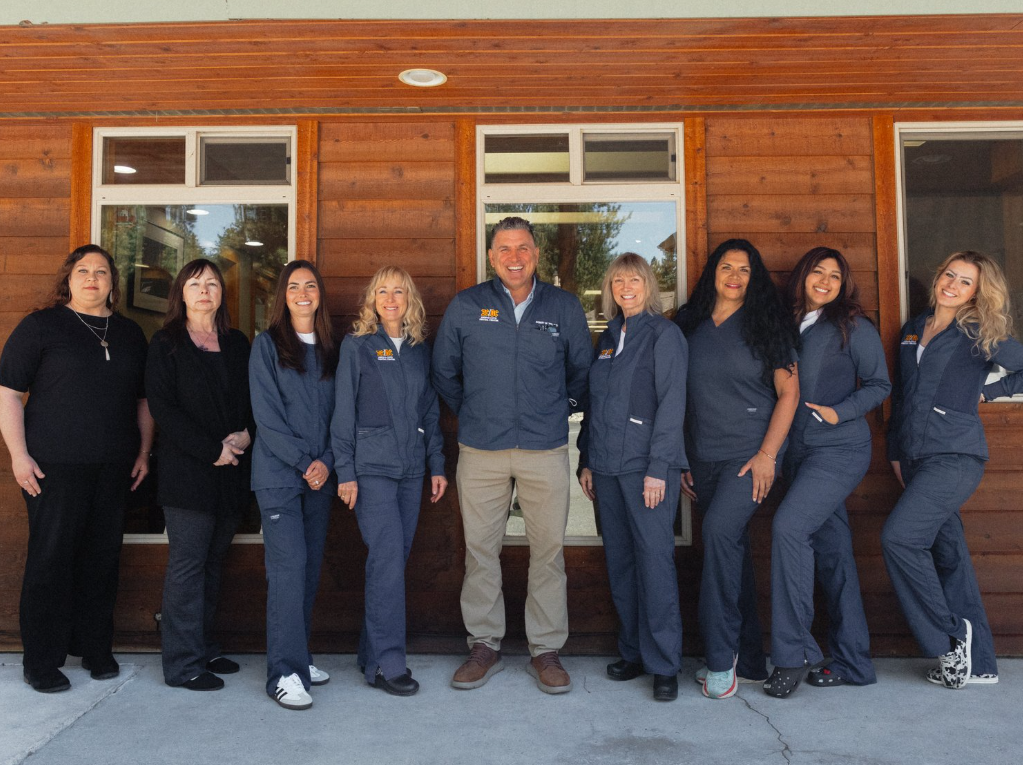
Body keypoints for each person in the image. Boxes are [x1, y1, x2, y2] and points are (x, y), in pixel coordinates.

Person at [433, 216, 591, 695]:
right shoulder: (467, 306)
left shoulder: (563, 307)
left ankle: (546, 650)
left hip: (545, 448)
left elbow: (581, 373)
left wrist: (552, 411)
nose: (514, 257)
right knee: (481, 552)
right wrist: (477, 412)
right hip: (481, 450)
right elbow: (444, 372)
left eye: (523, 247)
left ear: (536, 254)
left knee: (549, 553)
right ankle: (485, 644)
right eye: (504, 248)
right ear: (491, 256)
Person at [0, 245, 152, 693]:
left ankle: (95, 650)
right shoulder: (41, 326)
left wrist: (144, 452)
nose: (92, 278)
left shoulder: (129, 333)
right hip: (53, 467)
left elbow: (144, 401)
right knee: (51, 562)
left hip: (115, 466)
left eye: (101, 271)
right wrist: (18, 455)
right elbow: (8, 393)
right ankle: (42, 661)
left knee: (102, 561)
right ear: (68, 278)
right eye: (83, 270)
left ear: (112, 282)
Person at [884, 250, 1023, 689]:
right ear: (938, 275)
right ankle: (980, 664)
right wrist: (895, 452)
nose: (953, 285)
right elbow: (903, 396)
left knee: (900, 538)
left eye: (966, 282)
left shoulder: (977, 331)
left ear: (976, 293)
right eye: (949, 274)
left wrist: (991, 391)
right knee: (949, 555)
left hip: (955, 456)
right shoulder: (913, 329)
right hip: (914, 456)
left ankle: (949, 638)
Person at [675, 238, 799, 700]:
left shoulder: (767, 326)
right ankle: (750, 659)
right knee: (733, 554)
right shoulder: (689, 324)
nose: (734, 276)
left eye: (745, 270)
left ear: (755, 278)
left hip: (750, 458)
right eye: (726, 267)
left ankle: (720, 658)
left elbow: (789, 394)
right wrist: (680, 457)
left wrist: (768, 455)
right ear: (712, 273)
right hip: (701, 457)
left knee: (721, 537)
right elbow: (677, 396)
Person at [764, 247, 890, 698]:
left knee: (788, 528)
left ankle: (793, 653)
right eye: (817, 271)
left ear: (843, 285)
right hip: (799, 454)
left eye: (834, 276)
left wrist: (839, 412)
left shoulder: (852, 325)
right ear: (802, 276)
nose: (825, 281)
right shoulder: (786, 323)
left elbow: (880, 384)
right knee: (834, 553)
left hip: (838, 451)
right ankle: (854, 662)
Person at [577, 253, 688, 701]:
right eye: (618, 280)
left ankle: (664, 664)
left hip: (646, 471)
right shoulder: (606, 338)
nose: (626, 286)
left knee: (655, 564)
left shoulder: (665, 335)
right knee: (621, 564)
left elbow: (672, 405)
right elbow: (595, 405)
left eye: (634, 279)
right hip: (606, 469)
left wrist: (659, 469)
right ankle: (635, 651)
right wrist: (586, 460)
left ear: (649, 286)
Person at [333, 266, 447, 697]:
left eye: (399, 291)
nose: (391, 298)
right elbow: (343, 411)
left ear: (410, 299)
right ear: (373, 299)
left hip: (411, 470)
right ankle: (389, 663)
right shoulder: (357, 347)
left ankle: (369, 652)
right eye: (382, 290)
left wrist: (437, 464)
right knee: (386, 559)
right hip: (371, 471)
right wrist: (345, 471)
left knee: (390, 564)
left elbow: (429, 412)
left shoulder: (419, 349)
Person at [146, 258, 253, 692]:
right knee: (187, 567)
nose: (205, 290)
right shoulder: (166, 343)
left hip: (231, 472)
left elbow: (253, 398)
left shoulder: (238, 343)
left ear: (221, 293)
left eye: (212, 283)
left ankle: (204, 647)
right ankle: (182, 664)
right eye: (195, 284)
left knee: (212, 564)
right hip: (187, 473)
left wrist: (247, 434)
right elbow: (163, 410)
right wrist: (214, 450)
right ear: (181, 294)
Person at [249, 260, 338, 710]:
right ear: (282, 296)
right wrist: (307, 462)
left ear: (319, 294)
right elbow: (267, 417)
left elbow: (344, 414)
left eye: (310, 286)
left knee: (308, 570)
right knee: (289, 570)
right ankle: (283, 674)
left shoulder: (330, 348)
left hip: (320, 478)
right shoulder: (267, 346)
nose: (302, 293)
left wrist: (327, 461)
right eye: (293, 286)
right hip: (281, 478)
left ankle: (298, 657)